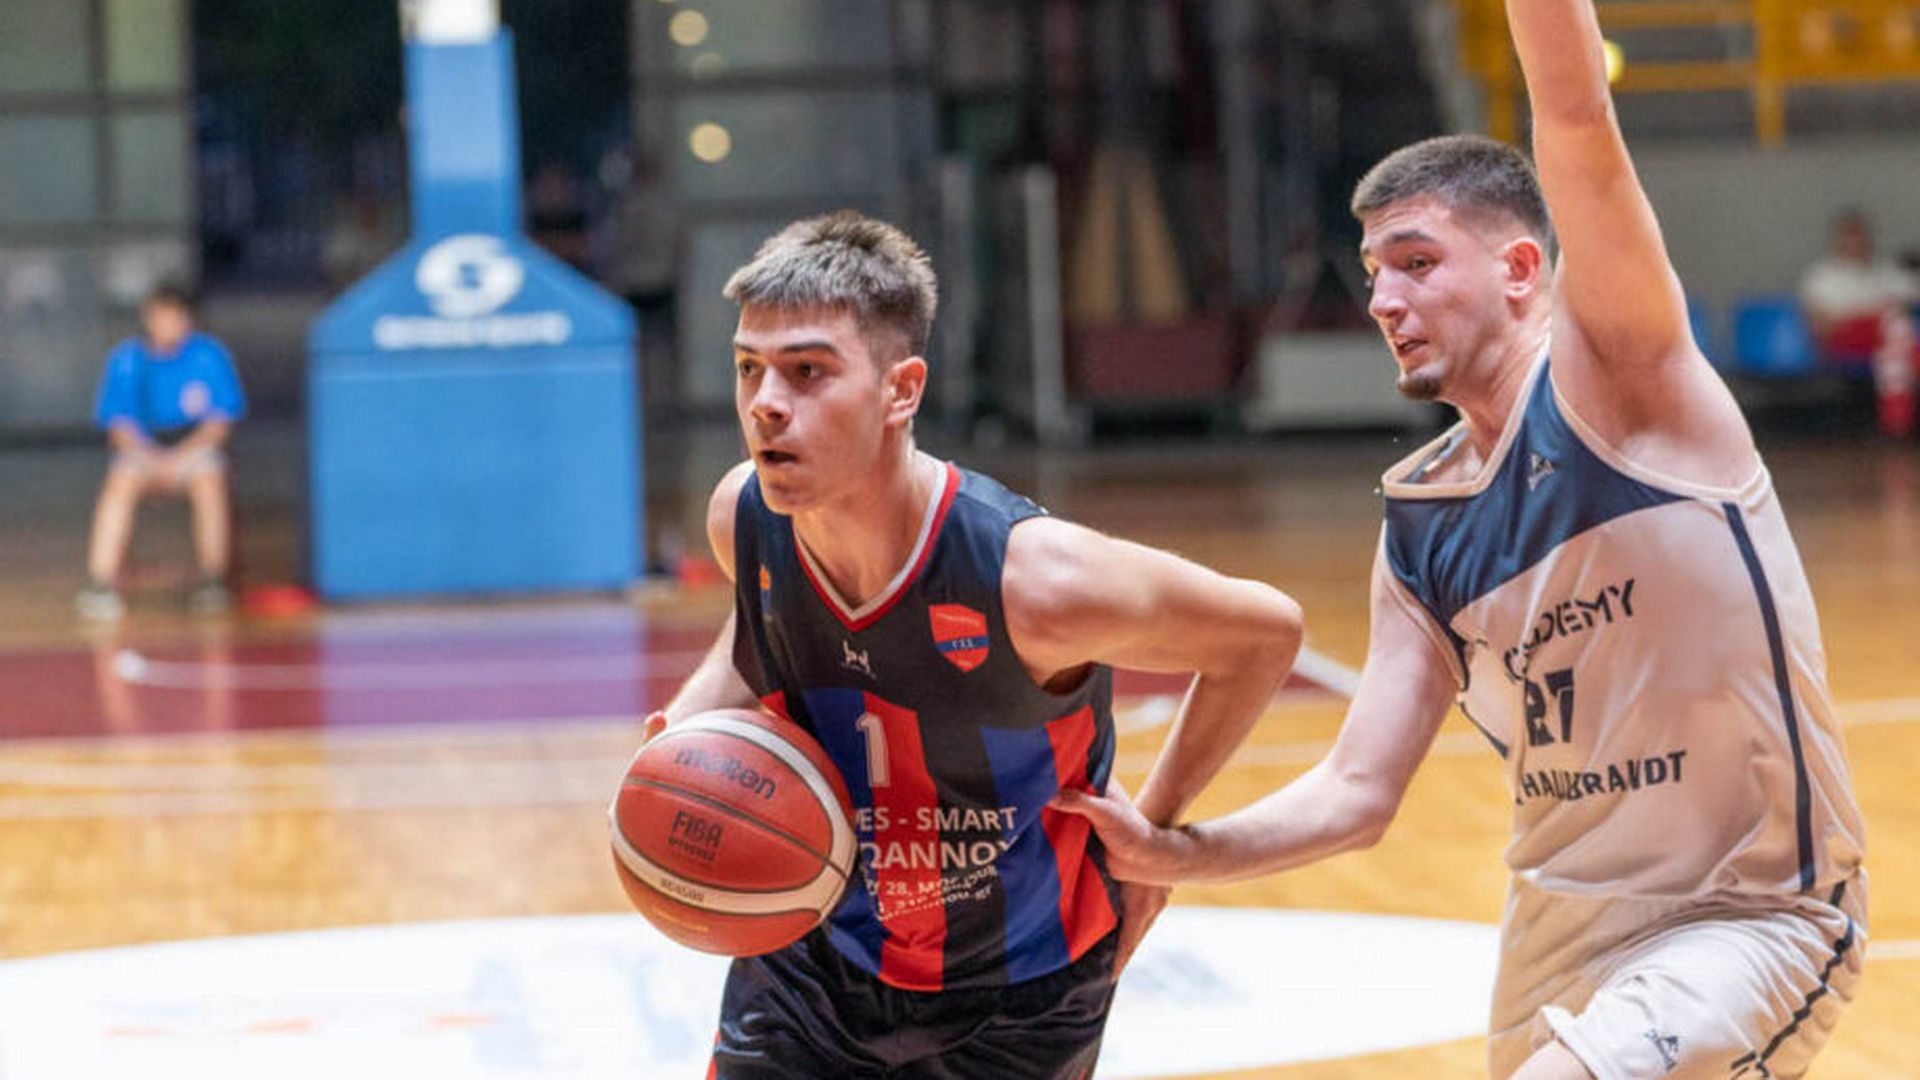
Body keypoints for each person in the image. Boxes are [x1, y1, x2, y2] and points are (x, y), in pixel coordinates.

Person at [1054, 2, 1867, 1077]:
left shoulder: (1623, 379)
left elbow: (1574, 110)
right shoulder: (1420, 527)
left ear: (1523, 270)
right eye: (1374, 271)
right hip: (1554, 941)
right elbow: (1357, 792)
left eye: (1416, 262)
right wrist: (1175, 853)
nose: (1382, 299)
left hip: (1743, 918)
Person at [636, 211, 1304, 1079]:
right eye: (748, 368)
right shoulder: (747, 520)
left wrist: (1154, 836)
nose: (765, 401)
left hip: (1023, 990)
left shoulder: (1037, 582)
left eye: (807, 371)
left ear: (901, 391)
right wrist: (683, 731)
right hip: (818, 955)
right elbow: (757, 629)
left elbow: (1265, 635)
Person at [79, 283, 247, 620]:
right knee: (118, 483)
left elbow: (220, 424)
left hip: (192, 449)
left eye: (175, 317)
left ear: (188, 319)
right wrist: (152, 458)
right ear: (148, 318)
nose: (167, 325)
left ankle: (212, 579)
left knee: (210, 480)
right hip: (144, 451)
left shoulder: (208, 356)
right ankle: (101, 583)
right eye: (160, 317)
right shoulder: (127, 360)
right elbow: (118, 427)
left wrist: (179, 458)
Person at [1799, 209, 1920, 437]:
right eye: (1850, 236)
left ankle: (1896, 426)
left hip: (1884, 342)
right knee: (1893, 322)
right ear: (1838, 240)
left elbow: (1911, 291)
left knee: (1892, 356)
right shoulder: (1823, 276)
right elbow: (1822, 325)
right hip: (1844, 339)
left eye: (1860, 236)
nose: (1856, 243)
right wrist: (1869, 314)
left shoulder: (1881, 272)